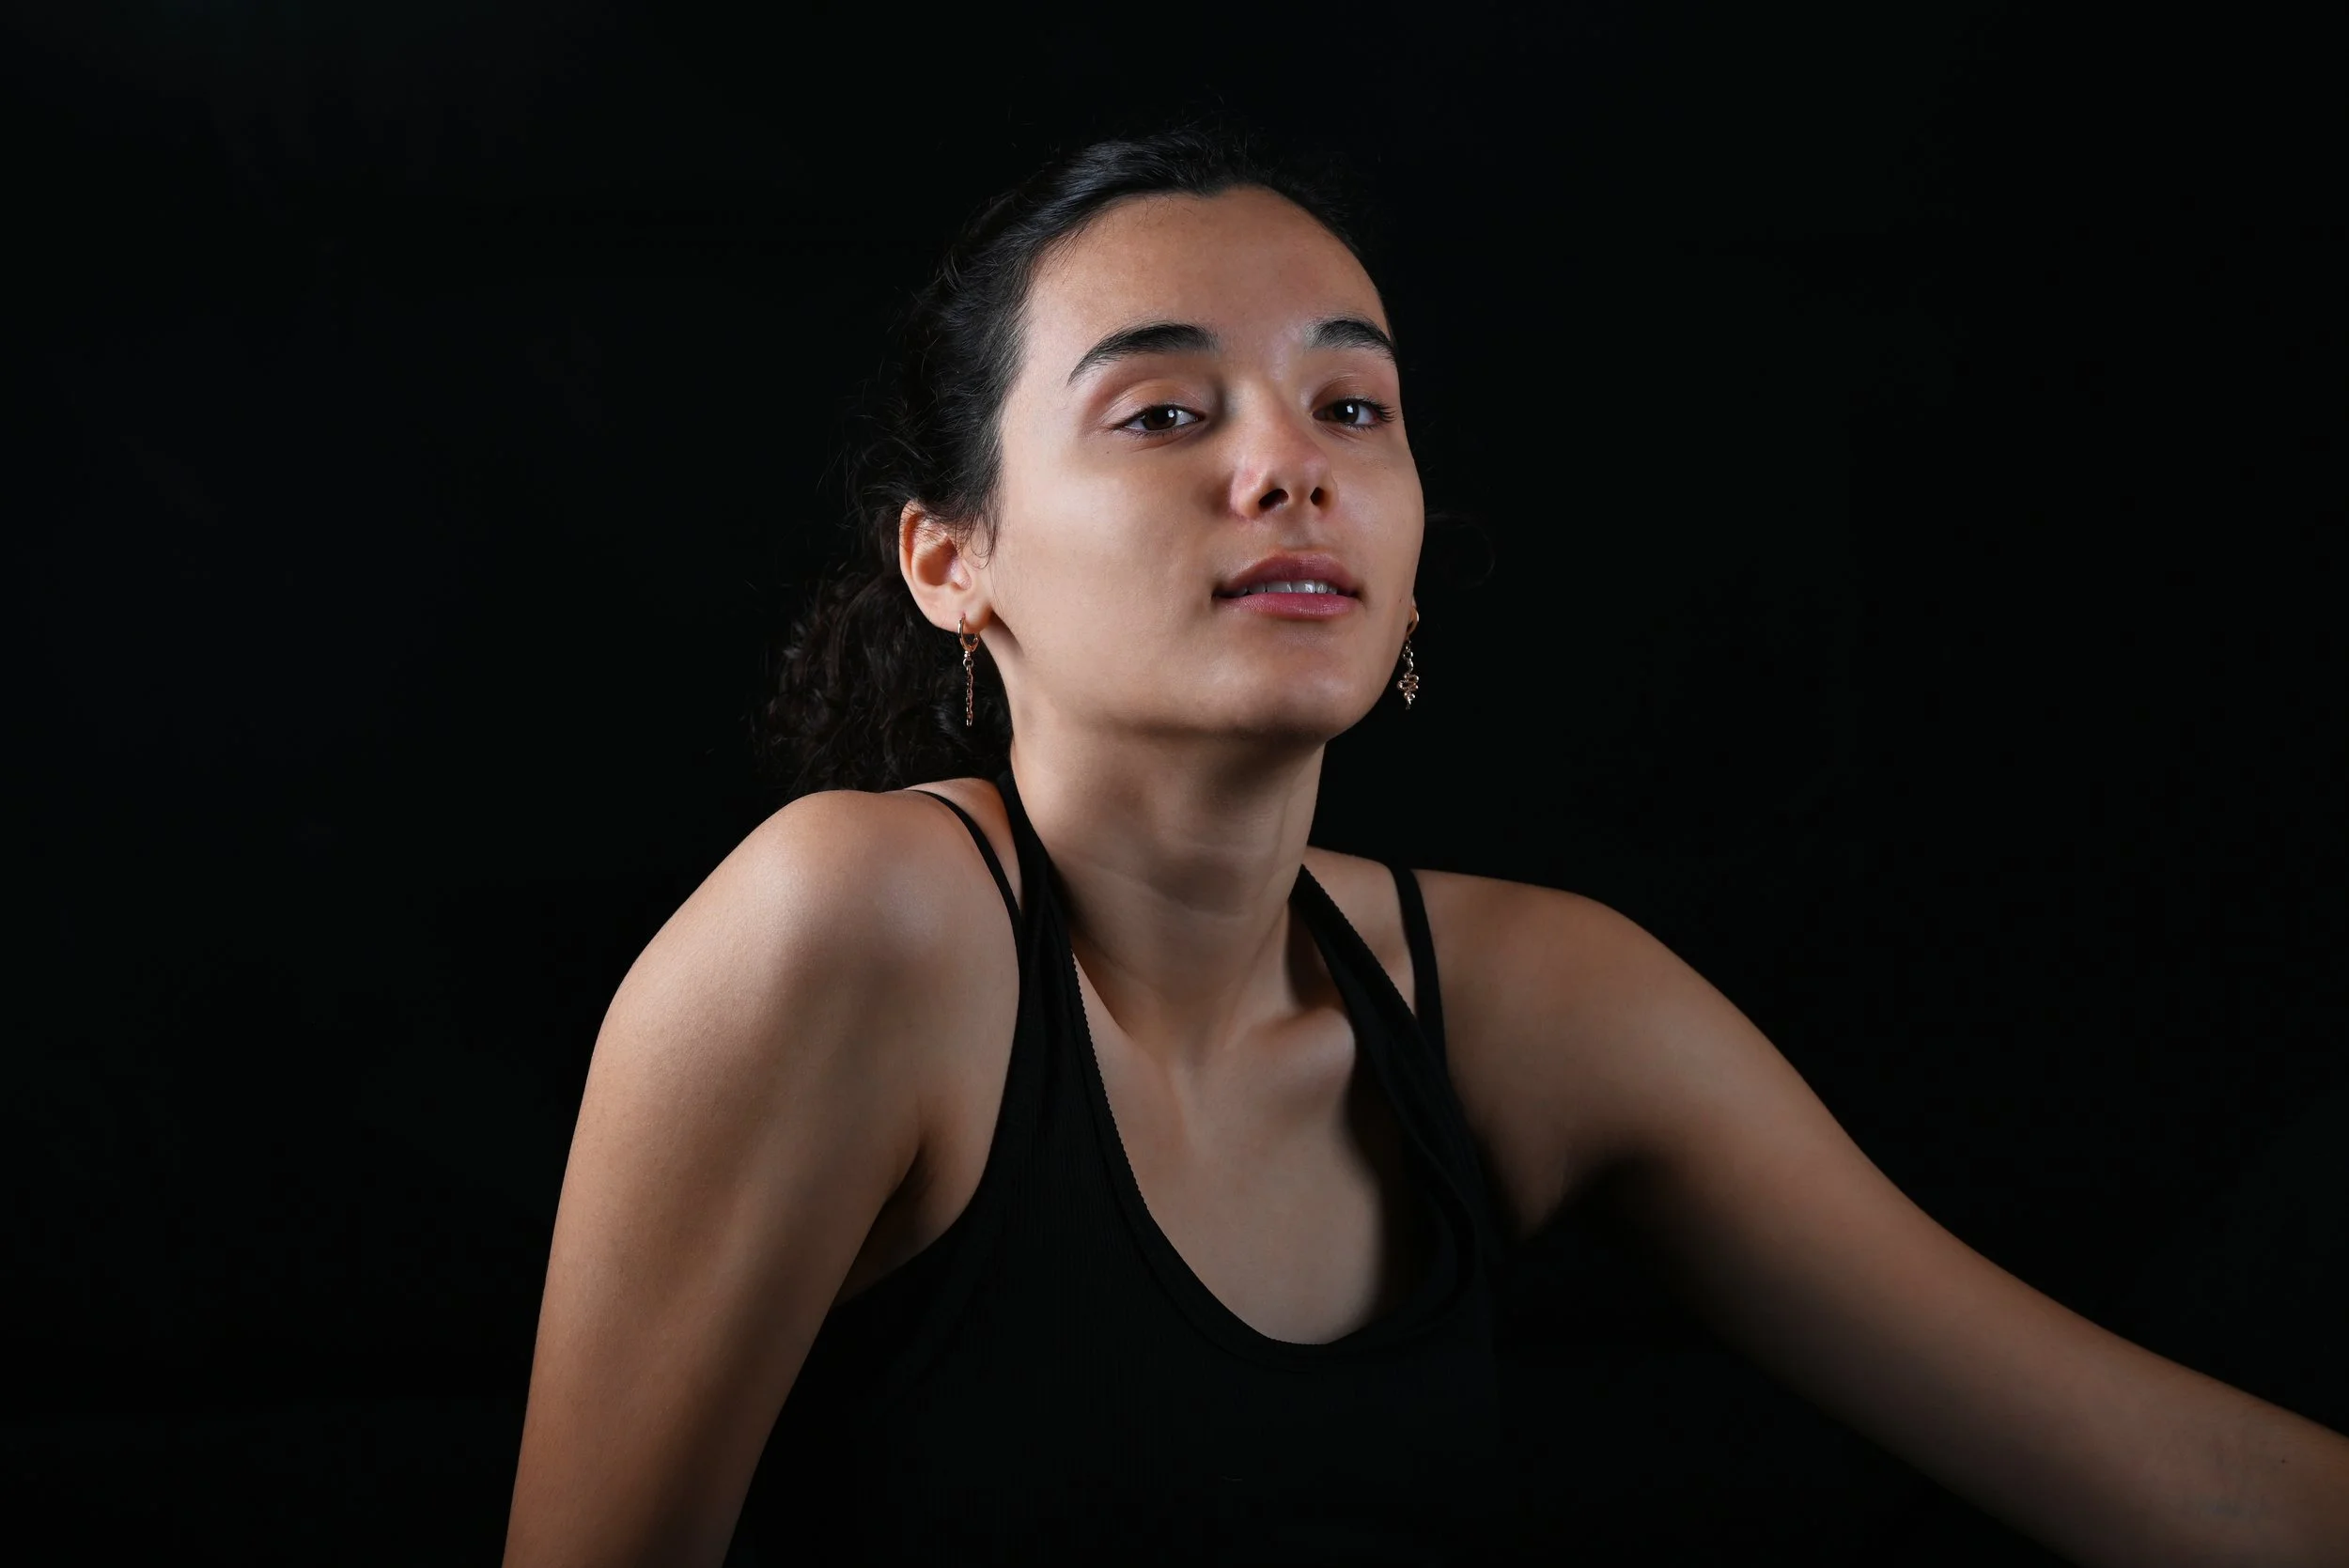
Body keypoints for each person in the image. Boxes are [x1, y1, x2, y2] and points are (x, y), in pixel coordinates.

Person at [500, 129, 2349, 1567]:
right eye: (1163, 412)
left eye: (1351, 406)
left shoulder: (1533, 1003)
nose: (1285, 466)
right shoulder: (852, 929)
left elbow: (2143, 1468)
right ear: (949, 561)